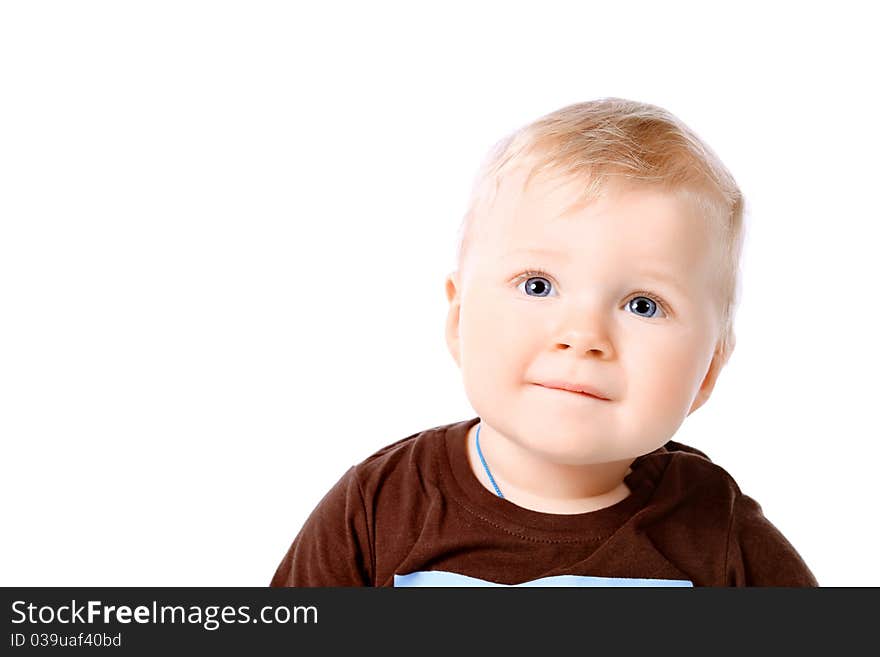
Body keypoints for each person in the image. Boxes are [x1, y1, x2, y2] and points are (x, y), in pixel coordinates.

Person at [270, 98, 818, 587]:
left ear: (707, 372)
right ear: (460, 319)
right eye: (538, 286)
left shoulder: (717, 531)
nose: (583, 337)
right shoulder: (380, 505)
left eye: (643, 305)